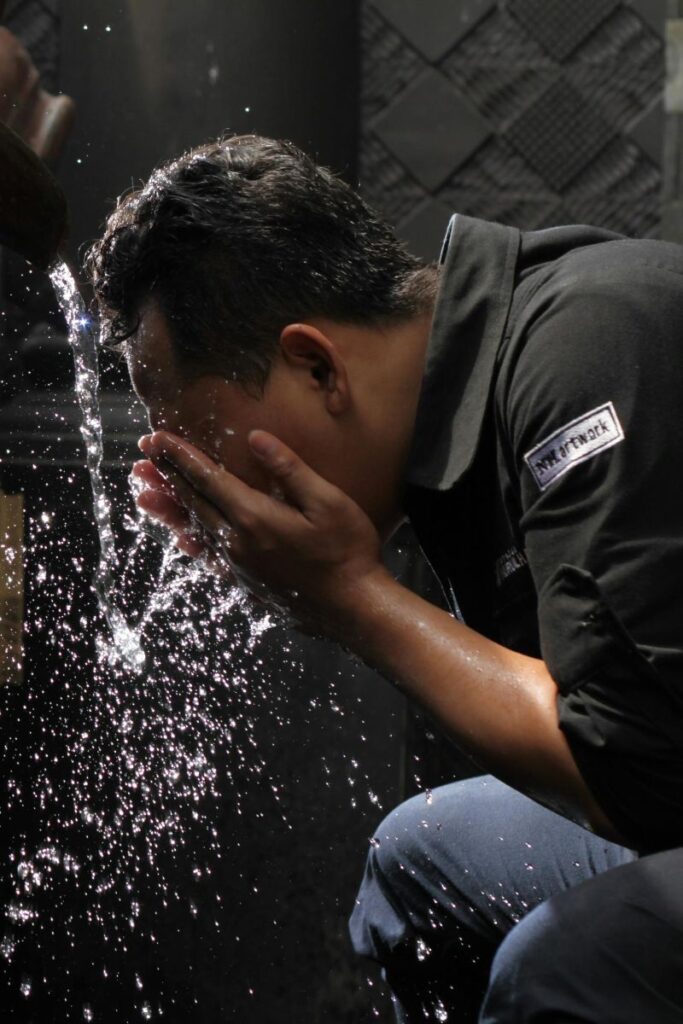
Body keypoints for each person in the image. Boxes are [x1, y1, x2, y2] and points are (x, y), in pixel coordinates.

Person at [87, 134, 683, 1022]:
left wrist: (351, 595)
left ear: (317, 365)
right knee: (424, 854)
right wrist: (325, 588)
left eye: (204, 455)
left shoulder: (588, 342)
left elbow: (643, 772)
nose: (205, 494)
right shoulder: (446, 434)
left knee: (566, 964)